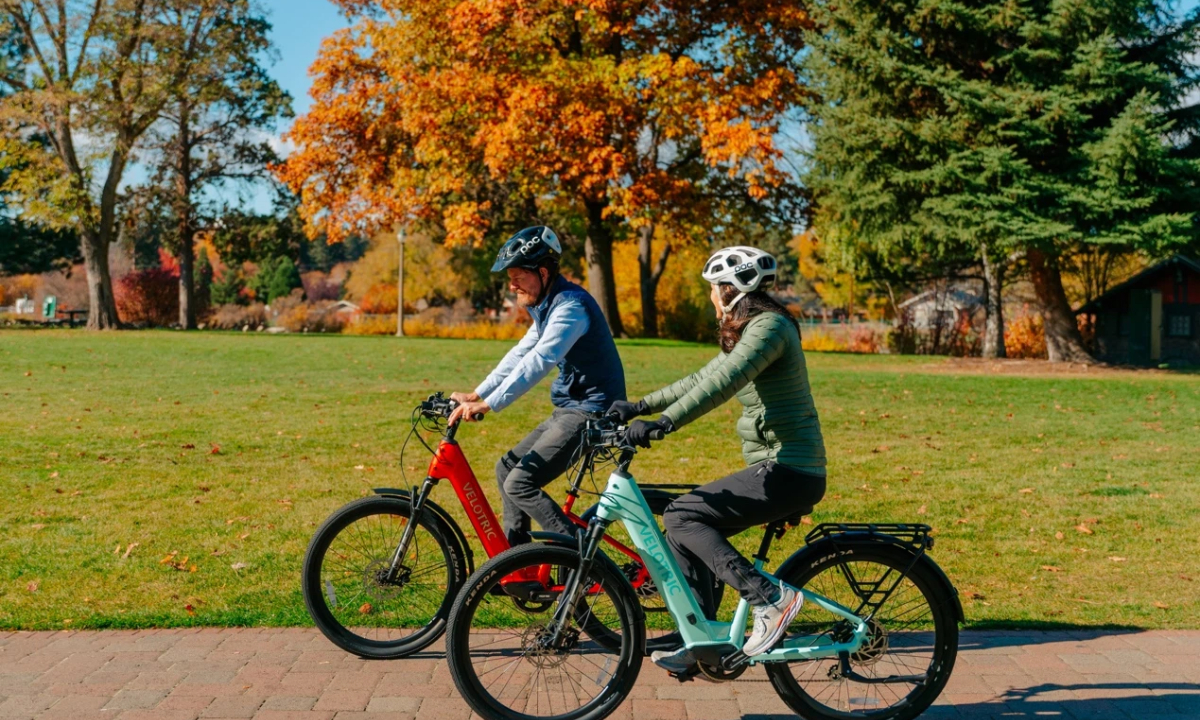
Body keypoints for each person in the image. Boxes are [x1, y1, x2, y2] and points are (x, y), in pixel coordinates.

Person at [607, 245, 827, 674]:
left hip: (791, 469)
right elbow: (700, 378)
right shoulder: (754, 328)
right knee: (682, 522)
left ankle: (772, 601)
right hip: (773, 468)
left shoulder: (771, 328)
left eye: (713, 289)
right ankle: (702, 638)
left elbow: (723, 384)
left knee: (683, 515)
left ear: (732, 288)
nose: (711, 298)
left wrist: (665, 423)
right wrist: (638, 407)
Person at [449, 225, 627, 545]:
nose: (511, 283)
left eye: (517, 275)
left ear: (542, 272)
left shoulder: (571, 307)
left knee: (520, 483)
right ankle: (519, 568)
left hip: (593, 412)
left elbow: (540, 360)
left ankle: (586, 563)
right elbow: (522, 352)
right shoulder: (548, 305)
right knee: (506, 469)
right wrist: (477, 393)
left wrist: (490, 404)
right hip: (572, 409)